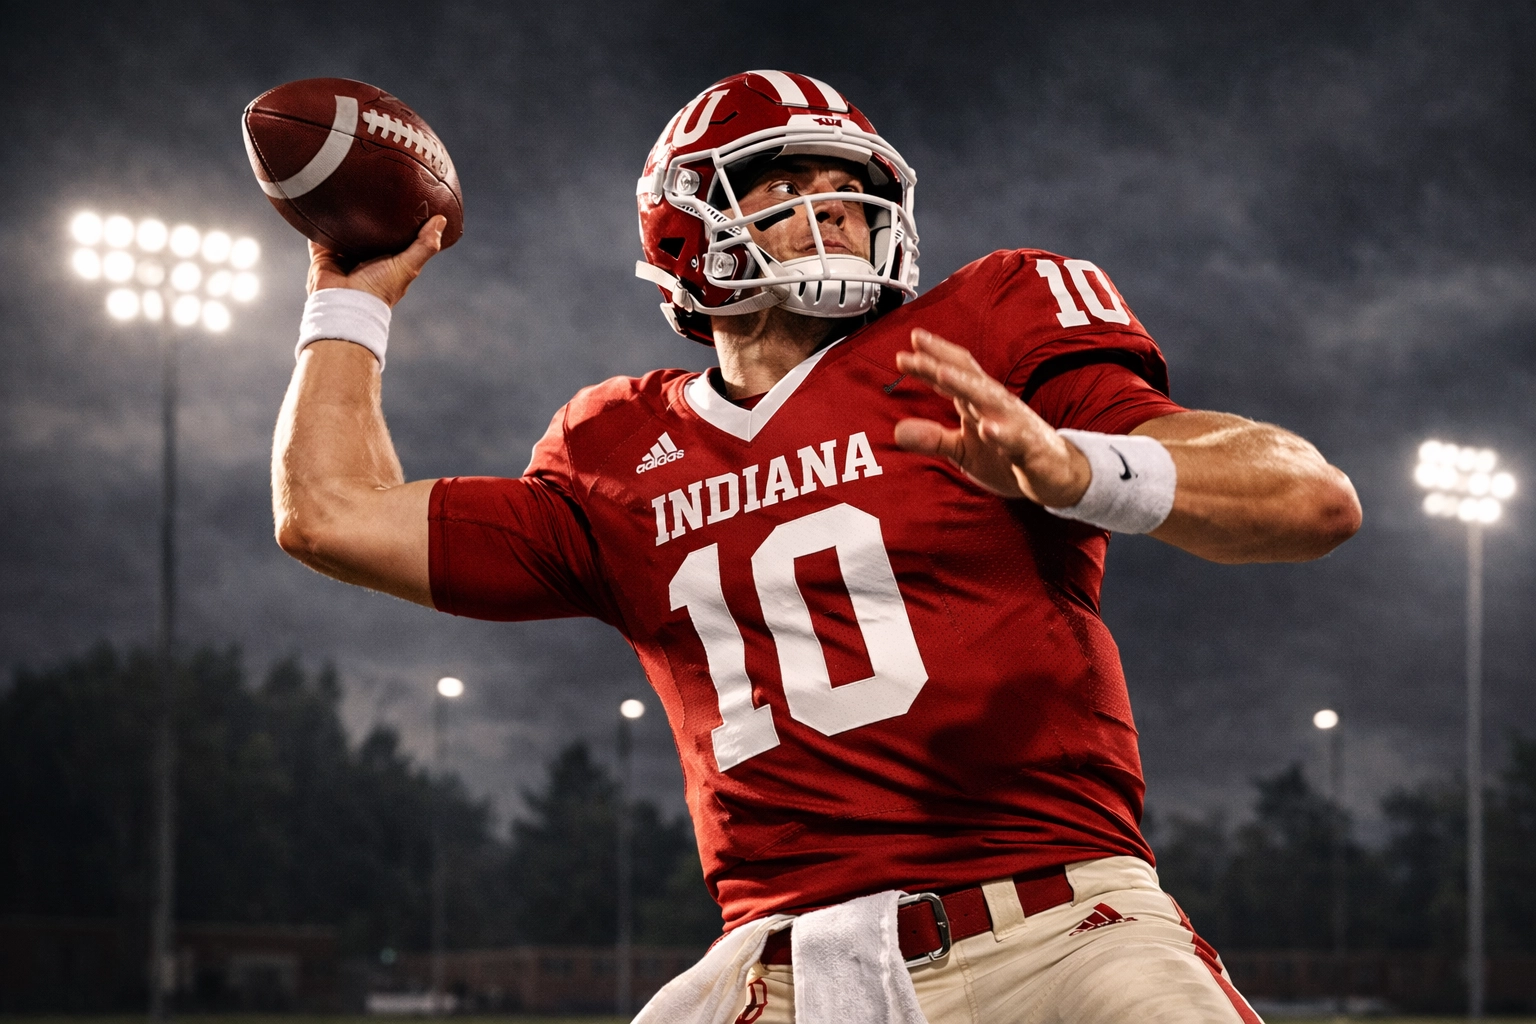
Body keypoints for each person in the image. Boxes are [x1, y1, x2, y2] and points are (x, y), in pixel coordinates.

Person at [272, 71, 1360, 1023]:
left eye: (850, 188)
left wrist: (1082, 470)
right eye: (782, 188)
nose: (832, 213)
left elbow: (1311, 501)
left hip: (1058, 925)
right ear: (680, 234)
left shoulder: (978, 334)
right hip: (784, 969)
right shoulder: (613, 448)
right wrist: (349, 294)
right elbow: (331, 513)